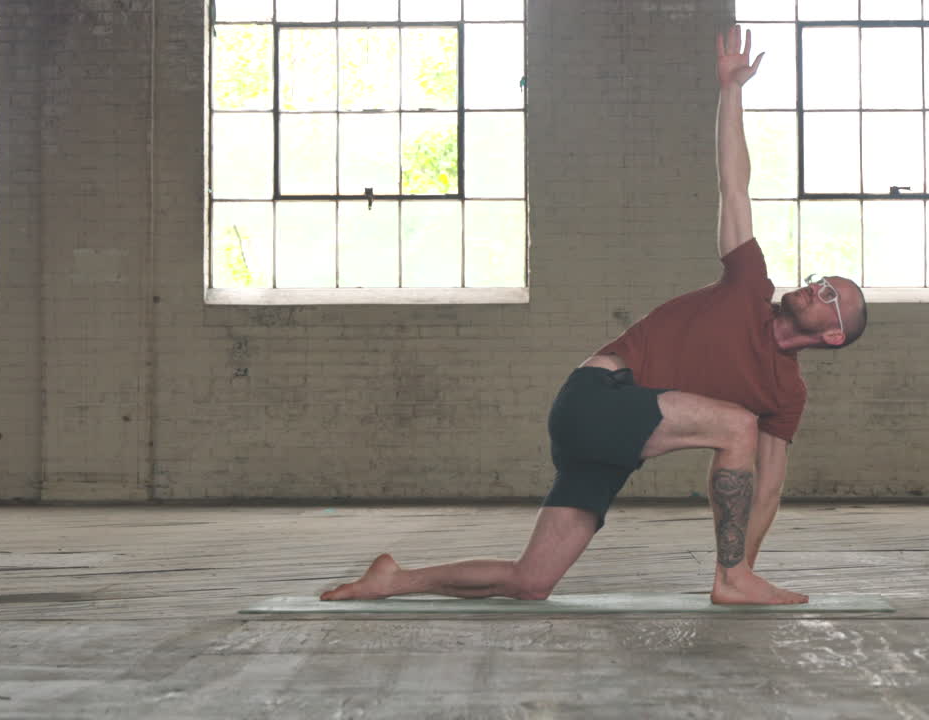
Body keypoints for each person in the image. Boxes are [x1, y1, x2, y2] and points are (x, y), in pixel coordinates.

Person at [322, 26, 867, 606]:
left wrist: (752, 561)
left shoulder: (787, 392)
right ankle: (728, 579)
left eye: (831, 296)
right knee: (737, 427)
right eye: (819, 281)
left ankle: (396, 579)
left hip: (619, 444)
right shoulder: (747, 285)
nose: (815, 289)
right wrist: (730, 91)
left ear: (833, 336)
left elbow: (770, 486)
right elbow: (735, 187)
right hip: (598, 396)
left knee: (531, 581)